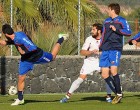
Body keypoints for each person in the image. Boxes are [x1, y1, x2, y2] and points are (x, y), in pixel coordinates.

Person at [0, 24, 69, 106]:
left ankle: (61, 38)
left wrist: (22, 51)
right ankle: (20, 99)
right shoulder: (14, 37)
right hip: (26, 60)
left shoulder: (20, 38)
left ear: (6, 34)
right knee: (21, 78)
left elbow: (33, 48)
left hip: (37, 56)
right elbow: (4, 43)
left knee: (53, 57)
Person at [60, 23, 112, 103]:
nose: (92, 31)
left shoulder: (105, 39)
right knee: (80, 79)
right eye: (92, 29)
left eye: (93, 29)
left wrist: (102, 53)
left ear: (99, 31)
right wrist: (91, 52)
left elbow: (109, 51)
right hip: (89, 62)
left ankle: (109, 96)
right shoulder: (89, 39)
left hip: (101, 61)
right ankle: (67, 96)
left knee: (107, 77)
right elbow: (82, 52)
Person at [99, 3, 131, 104]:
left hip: (115, 48)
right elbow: (103, 34)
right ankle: (118, 91)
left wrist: (116, 30)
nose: (107, 11)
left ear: (112, 10)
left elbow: (128, 32)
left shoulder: (122, 20)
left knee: (113, 71)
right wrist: (100, 45)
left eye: (108, 9)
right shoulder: (106, 21)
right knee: (104, 74)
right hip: (105, 49)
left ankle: (119, 94)